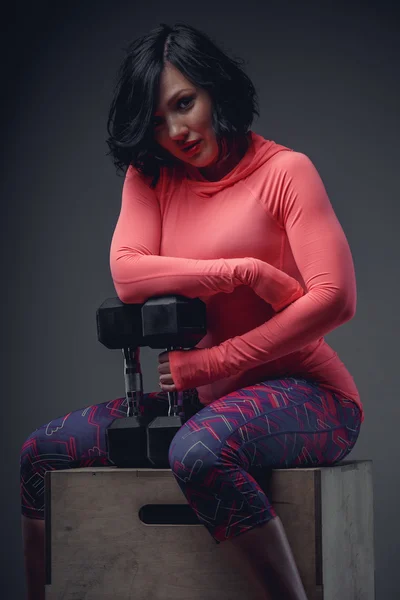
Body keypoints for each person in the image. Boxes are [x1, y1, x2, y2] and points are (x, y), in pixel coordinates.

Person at [20, 21, 363, 600]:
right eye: (157, 120)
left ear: (215, 90)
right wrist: (244, 272)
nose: (176, 130)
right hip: (209, 400)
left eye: (185, 104)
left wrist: (213, 362)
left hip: (311, 395)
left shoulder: (286, 173)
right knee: (40, 453)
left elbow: (335, 299)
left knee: (198, 452)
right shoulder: (150, 176)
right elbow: (128, 275)